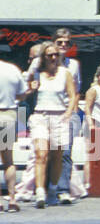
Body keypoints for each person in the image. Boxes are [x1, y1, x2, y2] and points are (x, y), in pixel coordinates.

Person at [25, 41, 78, 209]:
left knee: (57, 156)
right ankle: (40, 192)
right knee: (41, 154)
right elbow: (24, 93)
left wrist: (69, 112)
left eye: (57, 54)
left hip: (59, 116)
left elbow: (72, 95)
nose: (54, 58)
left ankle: (53, 190)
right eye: (50, 55)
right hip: (41, 115)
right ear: (43, 57)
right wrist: (31, 89)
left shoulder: (65, 73)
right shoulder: (37, 73)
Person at [0, 56, 24, 211]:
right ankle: (12, 199)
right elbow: (21, 94)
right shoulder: (12, 69)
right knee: (9, 161)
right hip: (8, 114)